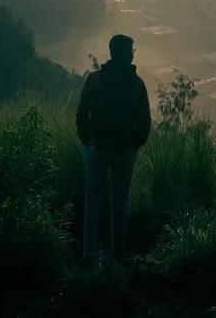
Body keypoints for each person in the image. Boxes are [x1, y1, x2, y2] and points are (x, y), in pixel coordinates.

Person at [76, 33, 151, 265]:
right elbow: (145, 122)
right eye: (131, 51)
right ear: (124, 55)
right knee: (120, 201)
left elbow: (81, 115)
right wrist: (134, 145)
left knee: (93, 201)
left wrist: (88, 141)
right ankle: (116, 255)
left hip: (97, 147)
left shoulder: (95, 80)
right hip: (124, 151)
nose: (133, 54)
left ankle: (89, 255)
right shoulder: (137, 85)